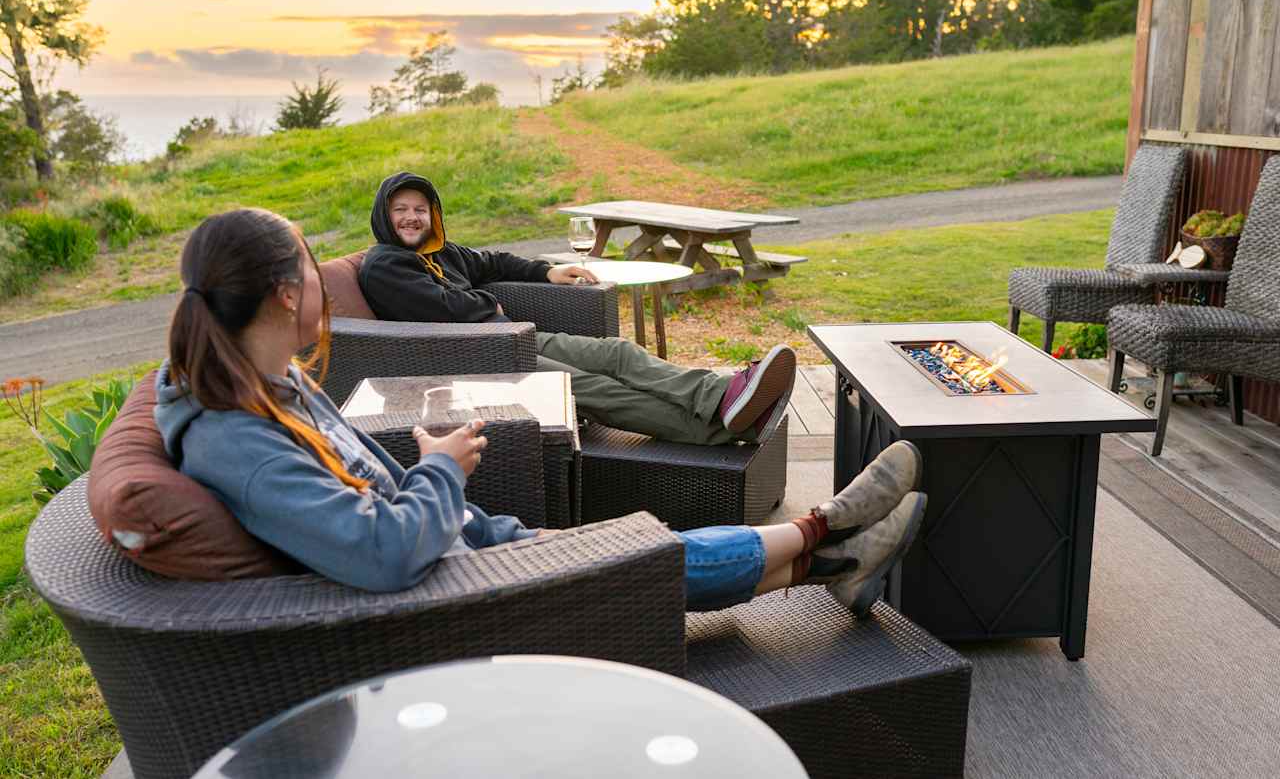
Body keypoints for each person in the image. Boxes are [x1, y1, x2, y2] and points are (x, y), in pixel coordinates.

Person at [156, 208, 927, 615]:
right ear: (287, 292)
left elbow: (368, 485)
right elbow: (382, 551)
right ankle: (828, 530)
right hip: (449, 593)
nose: (322, 286)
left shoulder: (267, 381)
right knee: (649, 555)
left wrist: (460, 499)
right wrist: (439, 473)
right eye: (308, 271)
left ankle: (836, 560)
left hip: (464, 547)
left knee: (644, 538)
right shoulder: (239, 441)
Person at [357, 172, 794, 446]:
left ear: (433, 215)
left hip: (512, 337)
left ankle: (720, 396)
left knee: (616, 353)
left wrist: (547, 272)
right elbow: (451, 310)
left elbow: (492, 261)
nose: (412, 218)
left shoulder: (443, 251)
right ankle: (720, 430)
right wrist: (490, 303)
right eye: (401, 210)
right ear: (385, 215)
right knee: (592, 386)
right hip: (472, 358)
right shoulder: (386, 265)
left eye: (420, 209)